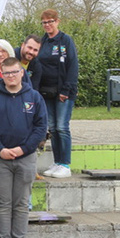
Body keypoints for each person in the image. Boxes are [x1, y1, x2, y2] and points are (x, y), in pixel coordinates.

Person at [0, 57, 48, 238]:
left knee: (20, 205)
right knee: (2, 204)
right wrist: (0, 149)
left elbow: (40, 127)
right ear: (1, 73)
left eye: (14, 72)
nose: (10, 76)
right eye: (6, 73)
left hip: (25, 158)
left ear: (21, 73)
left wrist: (23, 149)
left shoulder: (34, 97)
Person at [38, 9, 78, 180]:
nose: (48, 25)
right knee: (52, 128)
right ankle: (57, 161)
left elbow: (72, 66)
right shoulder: (43, 41)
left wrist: (66, 90)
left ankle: (65, 164)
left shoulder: (65, 40)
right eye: (44, 22)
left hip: (63, 92)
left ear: (58, 22)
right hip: (47, 92)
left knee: (62, 127)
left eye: (50, 21)